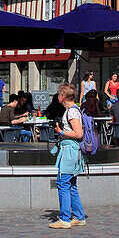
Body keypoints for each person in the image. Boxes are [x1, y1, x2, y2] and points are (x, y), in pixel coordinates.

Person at [49, 83, 86, 229]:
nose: (58, 96)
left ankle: (65, 218)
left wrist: (62, 132)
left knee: (63, 182)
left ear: (63, 96)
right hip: (71, 150)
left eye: (59, 94)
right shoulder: (73, 110)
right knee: (71, 184)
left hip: (69, 151)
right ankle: (79, 216)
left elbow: (78, 133)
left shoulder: (72, 112)